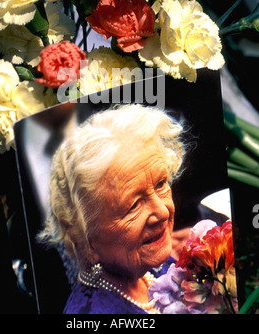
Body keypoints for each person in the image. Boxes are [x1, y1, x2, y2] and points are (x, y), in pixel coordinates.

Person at [41, 104, 186, 314]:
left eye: (161, 184)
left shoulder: (156, 268)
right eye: (134, 205)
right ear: (88, 242)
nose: (163, 212)